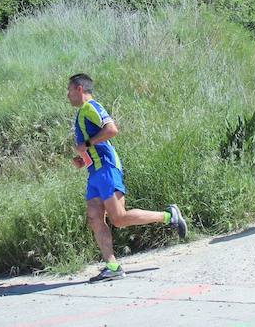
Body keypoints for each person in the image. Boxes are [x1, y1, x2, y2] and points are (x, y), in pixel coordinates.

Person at [68, 73, 187, 282]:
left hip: (107, 168)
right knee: (95, 218)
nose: (67, 95)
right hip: (94, 172)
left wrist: (86, 145)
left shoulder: (92, 107)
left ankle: (169, 216)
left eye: (69, 90)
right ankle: (112, 266)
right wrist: (83, 159)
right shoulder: (81, 113)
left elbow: (111, 130)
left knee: (119, 218)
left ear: (79, 89)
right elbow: (95, 144)